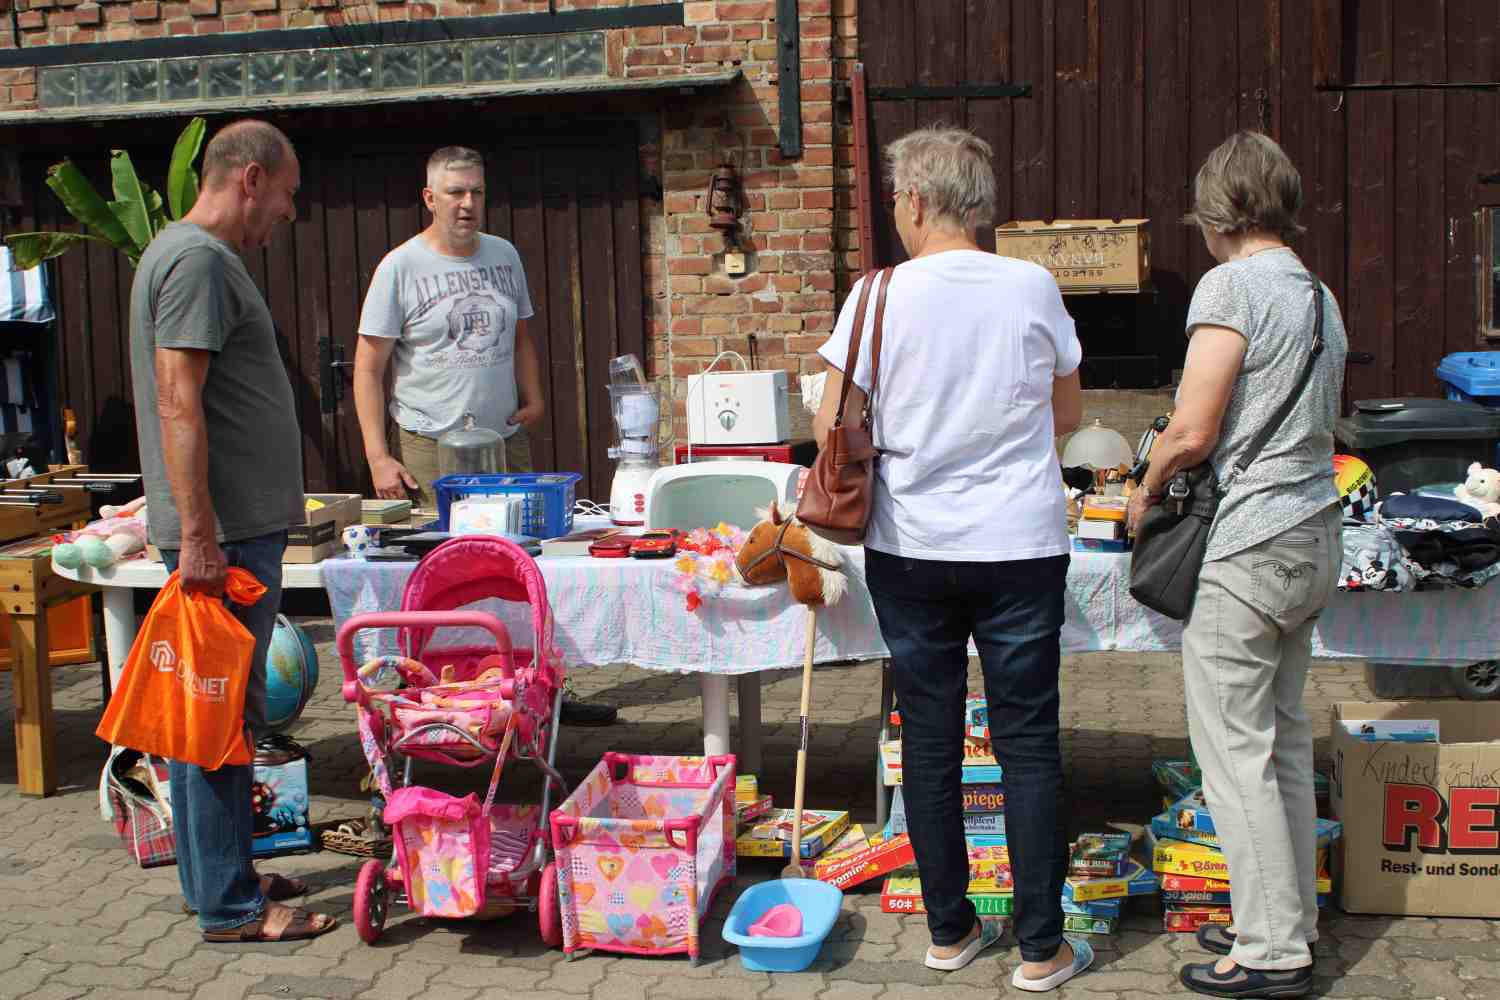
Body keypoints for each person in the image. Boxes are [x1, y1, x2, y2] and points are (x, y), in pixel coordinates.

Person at [813, 126, 1091, 992]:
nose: (895, 211)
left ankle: (948, 931)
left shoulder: (877, 294)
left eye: (896, 198)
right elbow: (1067, 415)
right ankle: (1041, 948)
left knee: (929, 740)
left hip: (912, 545)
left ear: (918, 201)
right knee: (1028, 743)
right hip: (1020, 544)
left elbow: (830, 420)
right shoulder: (1031, 285)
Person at [1127, 131, 1347, 1000]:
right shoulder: (1319, 295)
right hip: (1312, 533)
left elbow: (1192, 428)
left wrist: (1146, 489)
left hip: (1250, 543)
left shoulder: (1231, 285)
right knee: (1283, 742)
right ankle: (1290, 921)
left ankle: (1271, 952)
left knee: (1234, 753)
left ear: (1219, 210)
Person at [129, 119, 337, 943]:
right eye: (285, 194)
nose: (287, 212)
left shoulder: (187, 256)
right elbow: (178, 398)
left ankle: (218, 877)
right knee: (218, 723)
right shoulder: (199, 261)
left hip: (230, 531)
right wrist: (199, 536)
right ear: (251, 178)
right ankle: (232, 907)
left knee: (207, 718)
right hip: (227, 538)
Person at [353, 146, 616, 728]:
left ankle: (542, 685)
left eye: (476, 191)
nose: (467, 203)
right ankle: (433, 694)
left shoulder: (504, 255)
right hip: (431, 443)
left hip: (502, 438)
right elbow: (368, 367)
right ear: (430, 198)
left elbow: (521, 335)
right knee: (441, 570)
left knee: (524, 563)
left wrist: (535, 395)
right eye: (455, 192)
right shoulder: (399, 267)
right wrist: (378, 454)